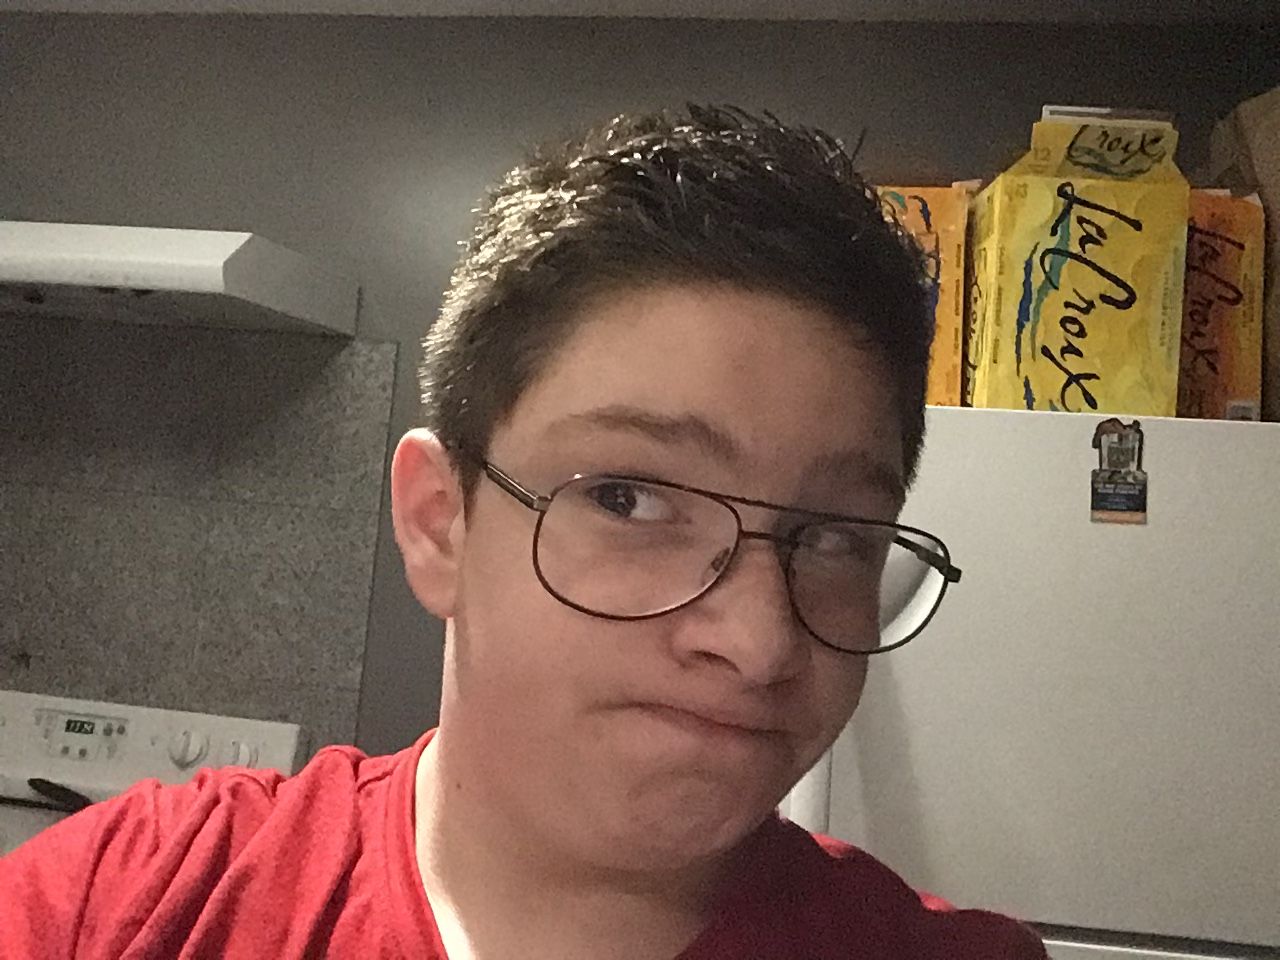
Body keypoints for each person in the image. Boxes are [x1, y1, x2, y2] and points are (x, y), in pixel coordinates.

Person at [0, 104, 1046, 960]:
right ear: (438, 522)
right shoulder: (122, 907)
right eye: (631, 499)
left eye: (831, 537)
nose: (757, 641)